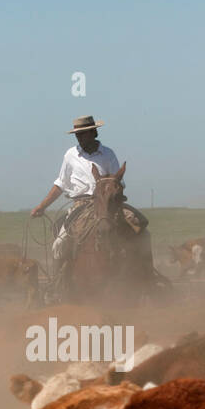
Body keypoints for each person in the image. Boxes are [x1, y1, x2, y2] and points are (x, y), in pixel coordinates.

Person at [31, 116, 150, 289]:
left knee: (142, 231)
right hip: (80, 204)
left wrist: (107, 188)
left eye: (84, 134)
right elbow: (61, 184)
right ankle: (56, 285)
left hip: (108, 202)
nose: (80, 138)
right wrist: (42, 206)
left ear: (94, 132)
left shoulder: (108, 154)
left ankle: (147, 278)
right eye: (77, 135)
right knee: (59, 243)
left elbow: (119, 181)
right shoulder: (70, 155)